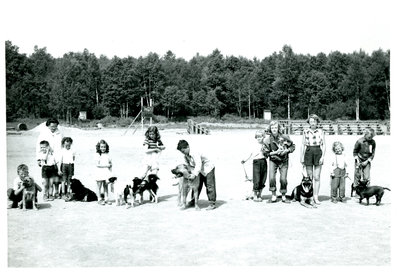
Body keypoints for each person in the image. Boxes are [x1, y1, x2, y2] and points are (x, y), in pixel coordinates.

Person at [177, 140, 217, 210]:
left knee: (209, 185)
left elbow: (199, 164)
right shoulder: (186, 156)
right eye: (181, 152)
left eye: (183, 151)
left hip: (207, 168)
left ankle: (212, 203)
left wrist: (194, 175)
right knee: (196, 185)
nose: (183, 153)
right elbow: (188, 166)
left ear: (188, 147)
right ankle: (193, 200)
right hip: (198, 170)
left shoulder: (195, 152)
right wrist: (185, 173)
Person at [263, 120, 295, 203]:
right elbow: (265, 153)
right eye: (272, 127)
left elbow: (293, 147)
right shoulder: (267, 140)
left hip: (284, 161)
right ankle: (273, 194)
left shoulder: (285, 137)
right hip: (273, 160)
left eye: (276, 127)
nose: (274, 129)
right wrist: (275, 152)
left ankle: (283, 194)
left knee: (283, 179)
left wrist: (287, 150)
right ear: (270, 129)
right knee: (271, 177)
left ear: (278, 128)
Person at [300, 114, 326, 204]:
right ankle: (309, 195)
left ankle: (316, 196)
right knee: (310, 177)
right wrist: (301, 156)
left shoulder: (321, 131)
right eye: (311, 121)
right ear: (309, 122)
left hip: (318, 151)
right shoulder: (305, 131)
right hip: (308, 152)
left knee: (317, 177)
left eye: (314, 121)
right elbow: (303, 144)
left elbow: (324, 145)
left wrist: (322, 157)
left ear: (317, 122)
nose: (313, 123)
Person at [241, 130, 268, 202]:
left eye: (261, 137)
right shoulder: (253, 145)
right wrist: (244, 159)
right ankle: (255, 195)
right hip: (256, 162)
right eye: (257, 137)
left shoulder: (265, 145)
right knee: (257, 179)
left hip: (263, 161)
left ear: (263, 137)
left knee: (263, 178)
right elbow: (249, 154)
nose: (259, 138)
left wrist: (265, 152)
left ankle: (260, 194)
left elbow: (267, 155)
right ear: (256, 137)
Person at [95, 139, 113, 205]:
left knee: (106, 186)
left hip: (106, 173)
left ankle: (106, 198)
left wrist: (111, 172)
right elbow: (97, 164)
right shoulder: (97, 155)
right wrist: (106, 165)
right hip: (99, 172)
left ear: (106, 147)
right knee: (99, 186)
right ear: (99, 147)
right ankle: (99, 199)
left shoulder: (108, 155)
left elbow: (111, 164)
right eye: (101, 147)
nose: (103, 148)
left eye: (104, 147)